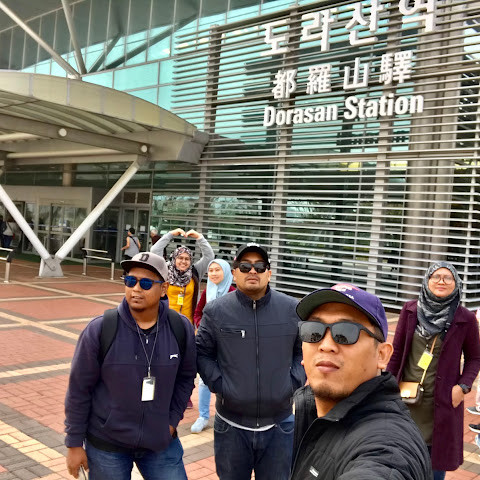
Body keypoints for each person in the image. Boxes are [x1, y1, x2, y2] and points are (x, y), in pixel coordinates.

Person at [64, 252, 196, 480]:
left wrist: (172, 421)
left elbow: (186, 378)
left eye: (145, 283)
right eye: (130, 280)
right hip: (107, 445)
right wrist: (74, 443)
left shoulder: (180, 327)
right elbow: (79, 389)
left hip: (160, 441)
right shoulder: (100, 329)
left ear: (164, 288)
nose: (136, 289)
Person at [291, 283, 433, 480]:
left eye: (345, 333)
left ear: (382, 355)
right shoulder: (309, 411)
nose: (326, 345)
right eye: (313, 331)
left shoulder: (389, 446)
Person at [196, 243, 305, 480]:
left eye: (259, 266)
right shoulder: (216, 311)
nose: (252, 271)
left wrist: (292, 383)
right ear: (235, 273)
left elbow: (304, 351)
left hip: (280, 424)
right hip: (231, 425)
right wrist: (220, 385)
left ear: (269, 273)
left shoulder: (292, 309)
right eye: (245, 266)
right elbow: (202, 353)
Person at [387, 262, 480, 480]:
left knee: (434, 467)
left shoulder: (465, 318)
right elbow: (397, 352)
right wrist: (387, 385)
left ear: (456, 283)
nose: (441, 281)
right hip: (406, 400)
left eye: (448, 278)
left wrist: (462, 387)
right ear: (427, 280)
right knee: (401, 461)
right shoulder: (410, 310)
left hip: (442, 404)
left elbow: (475, 358)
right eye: (436, 276)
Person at [191, 259, 235, 434]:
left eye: (218, 270)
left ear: (226, 271)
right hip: (209, 343)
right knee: (204, 380)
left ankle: (226, 415)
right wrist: (203, 326)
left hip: (228, 345)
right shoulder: (207, 291)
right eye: (211, 270)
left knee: (228, 379)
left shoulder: (233, 292)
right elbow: (197, 313)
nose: (214, 273)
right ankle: (203, 416)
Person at [151, 227, 214, 325]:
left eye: (187, 259)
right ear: (174, 258)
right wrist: (171, 234)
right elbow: (155, 250)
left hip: (187, 324)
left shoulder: (194, 272)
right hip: (165, 323)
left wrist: (199, 237)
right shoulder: (165, 269)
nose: (183, 261)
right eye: (180, 258)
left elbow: (209, 256)